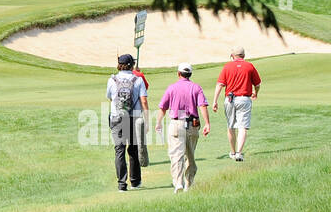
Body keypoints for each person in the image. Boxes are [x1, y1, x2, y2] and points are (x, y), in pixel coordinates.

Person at [154, 63, 211, 192]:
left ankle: (178, 183)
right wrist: (207, 123)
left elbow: (163, 107)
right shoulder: (196, 88)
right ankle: (188, 184)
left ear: (178, 74)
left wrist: (158, 122)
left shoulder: (172, 88)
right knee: (190, 156)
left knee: (176, 155)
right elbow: (202, 106)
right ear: (190, 74)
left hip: (176, 124)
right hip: (192, 124)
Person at [106, 53, 148, 191]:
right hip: (134, 118)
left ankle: (121, 184)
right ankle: (135, 182)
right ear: (131, 65)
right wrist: (146, 120)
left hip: (116, 117)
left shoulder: (112, 79)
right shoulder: (138, 80)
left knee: (119, 150)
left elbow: (110, 98)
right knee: (133, 149)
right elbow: (144, 101)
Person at [213, 46, 261, 161]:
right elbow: (258, 84)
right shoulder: (249, 66)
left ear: (232, 56)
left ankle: (233, 152)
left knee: (231, 126)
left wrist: (215, 101)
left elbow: (220, 84)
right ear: (243, 56)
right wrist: (255, 93)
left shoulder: (227, 66)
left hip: (229, 99)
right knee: (242, 127)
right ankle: (239, 153)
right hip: (244, 99)